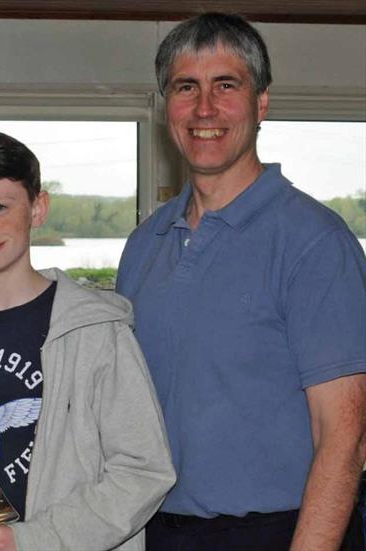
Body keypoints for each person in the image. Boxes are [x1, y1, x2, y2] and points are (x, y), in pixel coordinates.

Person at [116, 13, 366, 551]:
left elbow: (344, 438)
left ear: (261, 104)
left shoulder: (315, 242)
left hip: (281, 531)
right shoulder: (144, 244)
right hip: (154, 531)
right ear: (167, 109)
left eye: (226, 85)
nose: (205, 109)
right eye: (187, 87)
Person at [0, 131, 176, 551]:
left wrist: (33, 540)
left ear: (38, 208)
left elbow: (143, 473)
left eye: (0, 207)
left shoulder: (96, 331)